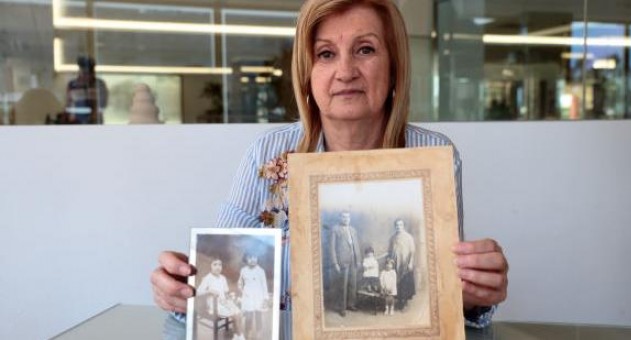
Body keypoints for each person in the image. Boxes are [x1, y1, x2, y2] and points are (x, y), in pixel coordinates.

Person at [151, 1, 509, 338]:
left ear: (395, 65)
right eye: (326, 54)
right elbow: (225, 281)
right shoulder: (268, 154)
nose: (345, 72)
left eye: (365, 50)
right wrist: (182, 290)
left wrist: (474, 295)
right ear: (307, 74)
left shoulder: (432, 155)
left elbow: (440, 301)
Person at [196, 259, 245, 340]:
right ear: (211, 266)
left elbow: (226, 292)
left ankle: (237, 335)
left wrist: (230, 298)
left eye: (219, 265)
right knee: (235, 314)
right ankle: (241, 337)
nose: (218, 267)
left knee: (239, 313)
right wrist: (209, 290)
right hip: (214, 305)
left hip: (224, 302)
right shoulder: (207, 278)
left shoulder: (223, 278)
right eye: (215, 264)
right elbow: (198, 293)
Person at [329, 211, 363, 316]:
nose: (346, 219)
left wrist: (359, 260)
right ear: (340, 218)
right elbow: (332, 248)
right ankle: (342, 307)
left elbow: (356, 246)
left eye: (348, 217)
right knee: (342, 285)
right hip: (342, 261)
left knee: (353, 284)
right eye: (343, 217)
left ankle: (351, 304)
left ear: (350, 218)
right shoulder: (335, 229)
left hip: (353, 260)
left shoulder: (353, 230)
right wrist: (335, 263)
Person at [65, 56, 108, 124]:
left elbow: (102, 104)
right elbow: (68, 104)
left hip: (94, 123)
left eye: (89, 73)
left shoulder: (99, 84)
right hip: (76, 123)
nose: (86, 76)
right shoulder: (72, 85)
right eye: (84, 73)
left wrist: (93, 116)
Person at [238, 252, 269, 338]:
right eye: (249, 257)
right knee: (248, 317)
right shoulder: (243, 270)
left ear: (257, 258)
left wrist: (265, 299)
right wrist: (242, 290)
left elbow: (264, 285)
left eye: (254, 257)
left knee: (258, 317)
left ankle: (259, 335)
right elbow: (240, 282)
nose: (252, 260)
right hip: (248, 297)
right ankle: (248, 334)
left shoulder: (261, 271)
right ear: (246, 259)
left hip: (259, 296)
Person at [388, 218, 416, 310]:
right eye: (397, 225)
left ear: (403, 226)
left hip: (405, 263)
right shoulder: (392, 238)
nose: (398, 227)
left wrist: (410, 263)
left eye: (400, 225)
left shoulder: (408, 237)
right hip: (395, 263)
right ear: (395, 226)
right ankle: (400, 301)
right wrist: (390, 262)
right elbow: (390, 251)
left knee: (405, 282)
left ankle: (404, 302)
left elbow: (412, 251)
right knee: (397, 283)